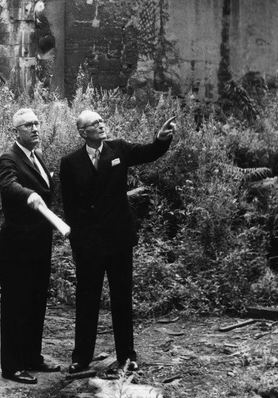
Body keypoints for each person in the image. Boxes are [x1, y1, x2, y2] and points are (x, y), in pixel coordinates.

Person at [59, 110, 176, 374]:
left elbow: (148, 152)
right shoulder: (70, 162)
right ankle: (81, 357)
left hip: (119, 240)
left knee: (122, 299)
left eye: (101, 121)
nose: (101, 126)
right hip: (89, 244)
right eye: (94, 124)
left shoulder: (119, 149)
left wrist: (161, 139)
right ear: (82, 133)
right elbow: (70, 206)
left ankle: (127, 356)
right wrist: (77, 241)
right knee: (87, 300)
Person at [0, 108, 61, 385]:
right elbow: (8, 186)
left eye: (36, 123)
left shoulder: (37, 156)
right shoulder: (9, 158)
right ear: (16, 131)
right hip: (17, 247)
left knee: (36, 302)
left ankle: (32, 357)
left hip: (39, 243)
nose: (35, 128)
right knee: (15, 305)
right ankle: (12, 366)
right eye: (27, 125)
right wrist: (29, 193)